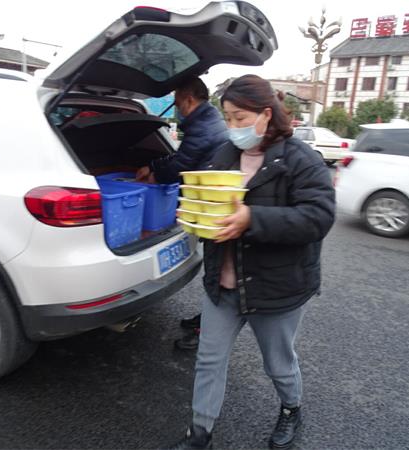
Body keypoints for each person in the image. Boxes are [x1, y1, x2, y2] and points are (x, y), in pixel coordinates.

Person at [169, 75, 335, 450]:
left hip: (276, 286)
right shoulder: (225, 155)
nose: (233, 127)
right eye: (227, 118)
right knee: (209, 359)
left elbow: (318, 217)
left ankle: (291, 408)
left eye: (240, 118)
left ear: (266, 114)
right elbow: (210, 202)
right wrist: (197, 215)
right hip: (223, 283)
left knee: (278, 363)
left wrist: (252, 219)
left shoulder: (300, 160)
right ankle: (200, 434)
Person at [136, 76, 228, 351]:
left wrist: (153, 172)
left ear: (189, 99)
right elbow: (182, 157)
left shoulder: (202, 126)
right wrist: (155, 166)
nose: (177, 108)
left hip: (212, 208)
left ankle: (208, 331)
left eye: (177, 103)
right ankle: (208, 320)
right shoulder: (209, 119)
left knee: (219, 273)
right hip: (211, 203)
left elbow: (181, 164)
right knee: (217, 270)